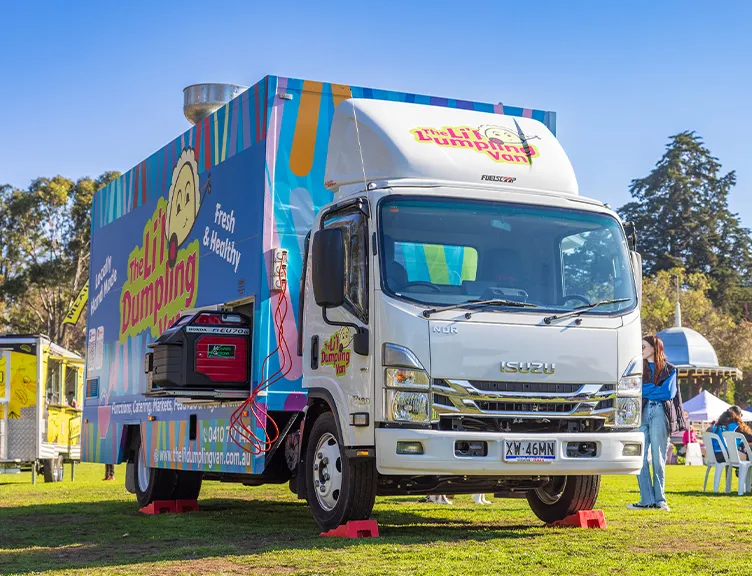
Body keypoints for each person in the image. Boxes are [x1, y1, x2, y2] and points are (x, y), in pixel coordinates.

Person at [627, 335, 677, 512]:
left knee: (658, 457)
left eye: (643, 346)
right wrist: (652, 389)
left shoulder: (670, 369)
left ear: (654, 348)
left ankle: (660, 500)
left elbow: (667, 393)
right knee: (638, 457)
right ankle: (646, 500)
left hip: (659, 412)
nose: (640, 350)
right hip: (641, 413)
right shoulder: (637, 369)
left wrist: (644, 389)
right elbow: (633, 388)